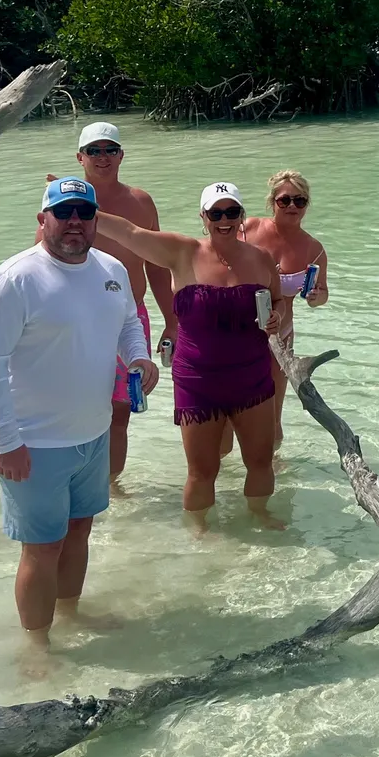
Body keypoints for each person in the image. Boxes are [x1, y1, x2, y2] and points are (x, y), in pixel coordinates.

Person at [0, 177, 156, 645]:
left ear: (96, 220)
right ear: (43, 219)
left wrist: (139, 357)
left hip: (93, 436)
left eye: (84, 213)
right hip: (34, 444)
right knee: (42, 548)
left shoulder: (111, 268)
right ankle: (37, 647)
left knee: (80, 531)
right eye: (64, 212)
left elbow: (129, 322)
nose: (75, 222)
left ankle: (71, 617)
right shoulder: (13, 280)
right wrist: (7, 442)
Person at [95, 182, 289, 525]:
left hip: (252, 376)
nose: (224, 220)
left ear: (242, 216)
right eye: (216, 213)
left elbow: (277, 301)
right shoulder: (182, 252)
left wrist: (276, 317)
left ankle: (262, 520)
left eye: (232, 212)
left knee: (260, 461)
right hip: (198, 381)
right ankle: (200, 535)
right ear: (203, 216)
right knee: (201, 471)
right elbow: (129, 232)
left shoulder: (261, 259)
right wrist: (80, 208)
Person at [70, 122, 176, 484]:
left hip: (130, 317)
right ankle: (77, 479)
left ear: (121, 155)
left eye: (110, 150)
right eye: (94, 151)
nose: (103, 157)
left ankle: (111, 487)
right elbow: (42, 261)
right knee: (78, 406)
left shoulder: (140, 201)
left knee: (121, 410)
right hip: (76, 321)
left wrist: (173, 321)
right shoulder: (64, 202)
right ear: (80, 157)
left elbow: (158, 265)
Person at [241, 170, 329, 445]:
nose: (292, 206)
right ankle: (227, 470)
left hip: (280, 336)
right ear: (272, 202)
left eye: (300, 201)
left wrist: (316, 298)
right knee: (232, 402)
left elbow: (323, 293)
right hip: (238, 331)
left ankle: (274, 467)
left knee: (273, 406)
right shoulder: (248, 229)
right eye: (285, 200)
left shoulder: (314, 249)